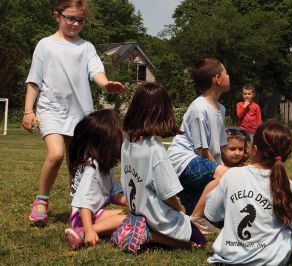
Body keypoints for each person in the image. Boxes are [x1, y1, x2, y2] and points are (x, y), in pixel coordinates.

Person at [22, 0, 125, 224]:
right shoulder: (45, 45)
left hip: (80, 115)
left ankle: (78, 209)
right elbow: (34, 81)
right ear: (57, 16)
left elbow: (96, 70)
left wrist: (105, 84)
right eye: (70, 18)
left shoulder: (86, 47)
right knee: (56, 154)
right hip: (50, 110)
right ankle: (41, 201)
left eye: (80, 20)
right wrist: (28, 111)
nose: (75, 24)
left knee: (77, 164)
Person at [205, 121, 292, 265]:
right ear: (287, 155)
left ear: (254, 149)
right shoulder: (287, 187)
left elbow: (211, 212)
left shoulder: (231, 176)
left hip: (227, 260)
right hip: (267, 262)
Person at [119, 82, 206, 252]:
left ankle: (141, 229)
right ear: (162, 112)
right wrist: (179, 207)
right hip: (157, 218)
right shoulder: (155, 149)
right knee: (200, 240)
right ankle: (149, 236)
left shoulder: (127, 142)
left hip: (138, 211)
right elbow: (167, 193)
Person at [167, 58, 229, 231]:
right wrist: (224, 174)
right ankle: (197, 216)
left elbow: (219, 152)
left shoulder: (220, 109)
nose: (229, 76)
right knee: (225, 176)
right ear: (217, 78)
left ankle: (193, 214)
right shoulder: (199, 108)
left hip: (201, 162)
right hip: (183, 161)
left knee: (218, 218)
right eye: (226, 72)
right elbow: (202, 151)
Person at [64, 109, 128, 249]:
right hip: (82, 218)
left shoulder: (105, 165)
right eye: (119, 134)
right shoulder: (91, 169)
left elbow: (115, 195)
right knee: (127, 219)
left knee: (130, 214)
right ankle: (80, 233)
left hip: (94, 214)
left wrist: (135, 203)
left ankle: (90, 229)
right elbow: (83, 203)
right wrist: (89, 231)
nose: (123, 137)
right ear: (108, 142)